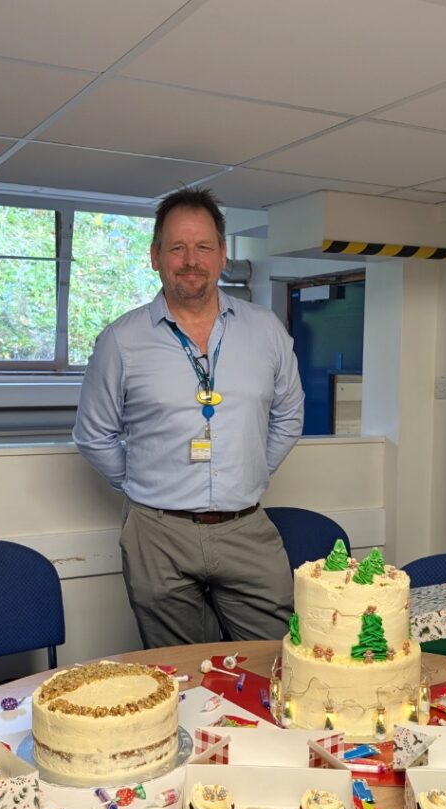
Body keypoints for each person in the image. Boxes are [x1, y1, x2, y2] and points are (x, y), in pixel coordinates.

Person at [73, 188, 304, 647]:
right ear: (155, 256)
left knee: (277, 660)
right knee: (180, 674)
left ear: (222, 254)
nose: (190, 260)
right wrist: (145, 482)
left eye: (203, 247)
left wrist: (250, 469)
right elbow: (94, 434)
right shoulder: (121, 340)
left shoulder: (267, 331)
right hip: (157, 535)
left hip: (247, 528)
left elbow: (289, 416)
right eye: (177, 248)